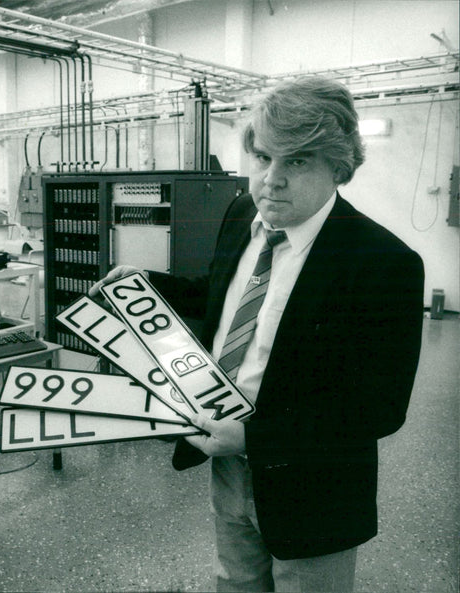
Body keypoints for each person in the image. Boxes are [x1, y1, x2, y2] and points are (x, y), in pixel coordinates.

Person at [89, 76, 424, 592]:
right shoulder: (243, 213)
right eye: (264, 157)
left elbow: (379, 407)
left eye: (297, 161)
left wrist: (254, 436)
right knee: (236, 582)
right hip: (226, 462)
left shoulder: (385, 264)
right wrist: (152, 283)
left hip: (314, 484)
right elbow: (226, 296)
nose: (272, 179)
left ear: (338, 168)